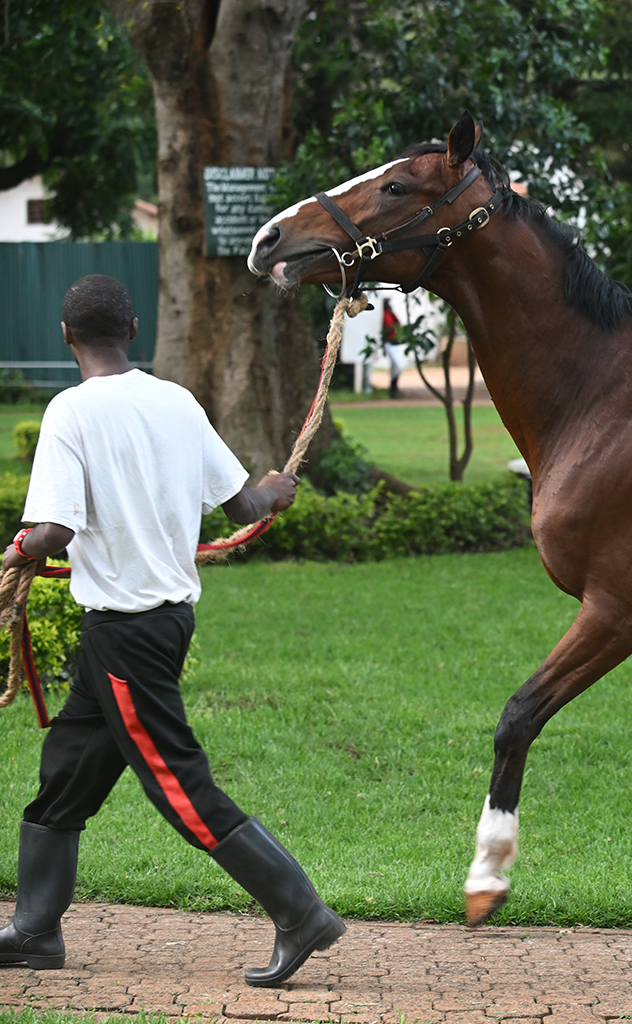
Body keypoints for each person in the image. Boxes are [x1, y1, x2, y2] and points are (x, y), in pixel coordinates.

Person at [0, 275, 346, 985]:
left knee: (177, 785)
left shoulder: (69, 412)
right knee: (66, 772)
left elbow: (56, 530)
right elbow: (241, 502)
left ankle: (300, 911)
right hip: (141, 630)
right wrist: (274, 490)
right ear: (133, 328)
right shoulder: (177, 402)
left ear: (68, 339)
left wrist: (18, 549)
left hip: (129, 633)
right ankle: (35, 930)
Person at [381, 299, 406, 399]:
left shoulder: (390, 313)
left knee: (397, 366)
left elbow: (398, 323)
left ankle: (394, 387)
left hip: (394, 342)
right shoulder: (383, 314)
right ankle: (393, 388)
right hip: (388, 342)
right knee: (397, 365)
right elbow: (387, 326)